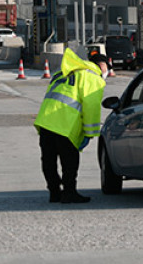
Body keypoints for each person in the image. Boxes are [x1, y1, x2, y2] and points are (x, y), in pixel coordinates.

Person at [33, 49, 109, 203]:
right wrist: (89, 133)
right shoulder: (92, 77)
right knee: (69, 161)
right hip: (65, 124)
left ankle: (54, 192)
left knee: (48, 159)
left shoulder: (62, 73)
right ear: (102, 66)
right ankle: (69, 192)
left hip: (45, 121)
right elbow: (91, 106)